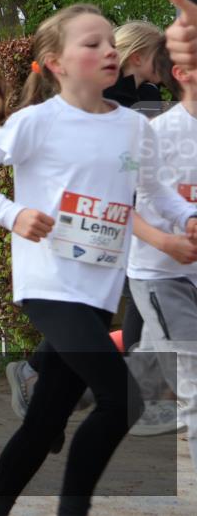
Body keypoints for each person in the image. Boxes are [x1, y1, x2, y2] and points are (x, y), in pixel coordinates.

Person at [0, 4, 196, 516]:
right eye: (92, 43)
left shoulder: (133, 127)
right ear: (56, 63)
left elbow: (152, 194)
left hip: (99, 289)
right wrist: (12, 215)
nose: (108, 51)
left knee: (44, 422)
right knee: (123, 400)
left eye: (110, 42)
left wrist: (187, 217)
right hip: (49, 285)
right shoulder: (35, 122)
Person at [5, 21, 173, 436]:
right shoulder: (105, 96)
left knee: (106, 303)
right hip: (89, 215)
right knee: (110, 300)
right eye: (160, 56)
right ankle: (113, 388)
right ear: (140, 56)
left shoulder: (148, 95)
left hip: (127, 209)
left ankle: (50, 377)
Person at [126, 52, 197, 469]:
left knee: (144, 379)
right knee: (193, 381)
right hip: (162, 276)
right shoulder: (157, 134)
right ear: (181, 73)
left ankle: (67, 380)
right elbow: (122, 204)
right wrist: (166, 243)